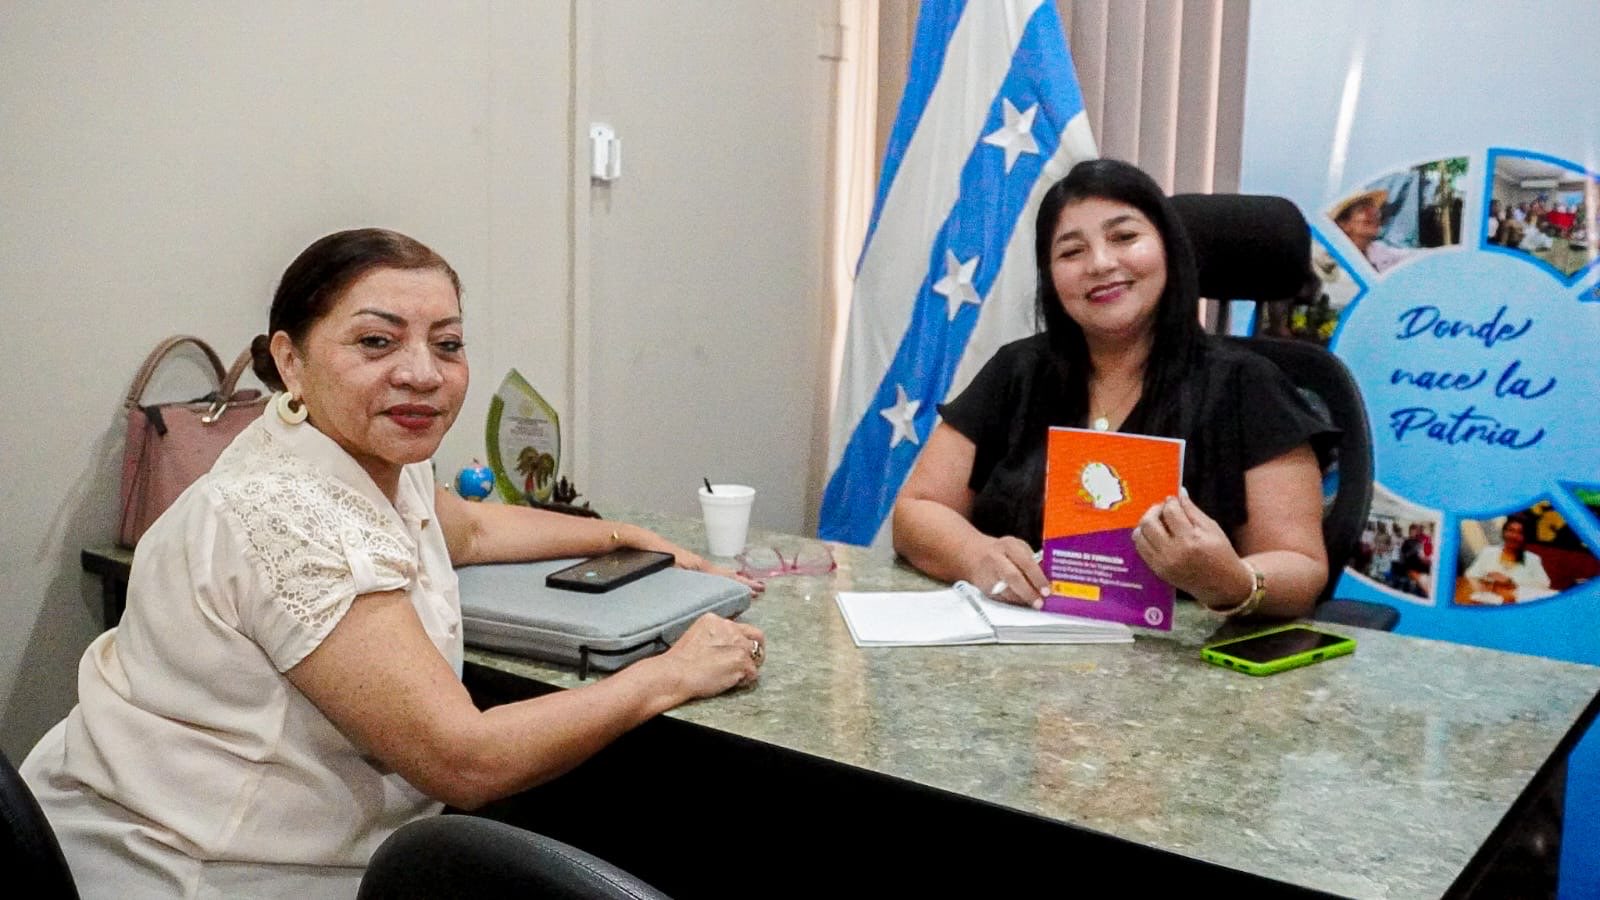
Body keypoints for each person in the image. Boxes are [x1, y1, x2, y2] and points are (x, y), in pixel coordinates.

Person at [22, 228, 767, 898]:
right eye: (377, 342)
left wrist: (622, 536)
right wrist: (673, 672)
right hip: (201, 870)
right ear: (291, 360)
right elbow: (466, 762)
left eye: (447, 344)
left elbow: (471, 528)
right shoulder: (286, 513)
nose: (422, 373)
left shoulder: (356, 450)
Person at [893, 159, 1337, 619]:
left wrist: (1233, 581)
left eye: (1124, 237)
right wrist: (977, 556)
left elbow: (1302, 567)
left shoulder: (1249, 386)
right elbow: (916, 510)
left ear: (1168, 247)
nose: (1101, 264)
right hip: (1021, 644)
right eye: (1071, 252)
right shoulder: (1017, 371)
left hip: (1180, 654)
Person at [1465, 517, 1551, 597]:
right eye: (1510, 530)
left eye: (1520, 533)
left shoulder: (1532, 559)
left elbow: (1544, 585)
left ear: (1525, 537)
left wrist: (1511, 582)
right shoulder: (1488, 552)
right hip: (1489, 600)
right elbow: (1470, 575)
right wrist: (1480, 587)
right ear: (1504, 532)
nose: (1514, 536)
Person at [1332, 188, 1413, 273]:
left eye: (1372, 207)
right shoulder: (1336, 264)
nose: (1374, 213)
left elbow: (1411, 256)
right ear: (1344, 224)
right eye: (1362, 209)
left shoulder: (1379, 251)